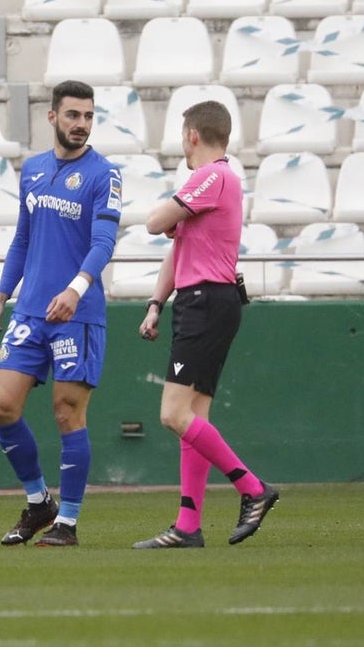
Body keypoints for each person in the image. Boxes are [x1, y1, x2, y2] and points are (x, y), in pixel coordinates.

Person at [0, 80, 122, 547]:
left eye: (88, 116)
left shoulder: (105, 175)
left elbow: (104, 243)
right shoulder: (34, 170)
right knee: (2, 405)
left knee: (67, 413)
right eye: (73, 115)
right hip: (30, 310)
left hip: (77, 313)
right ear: (53, 117)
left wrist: (76, 290)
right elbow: (23, 237)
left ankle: (69, 522)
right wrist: (2, 295)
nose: (81, 124)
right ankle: (41, 502)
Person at [132, 101, 279, 549]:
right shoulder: (212, 183)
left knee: (172, 413)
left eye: (182, 134)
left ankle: (253, 488)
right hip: (204, 301)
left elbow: (155, 223)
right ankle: (188, 526)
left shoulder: (212, 176)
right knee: (194, 417)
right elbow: (177, 251)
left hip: (206, 302)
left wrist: (169, 207)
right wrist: (157, 302)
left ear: (192, 135)